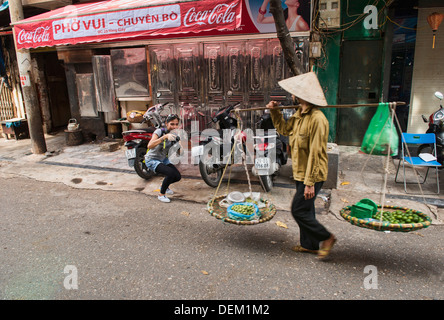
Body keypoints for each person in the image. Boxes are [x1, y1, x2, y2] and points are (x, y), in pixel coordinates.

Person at [266, 72, 336, 260]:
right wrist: (275, 111)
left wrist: (310, 183)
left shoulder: (318, 119)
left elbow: (316, 152)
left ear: (302, 95)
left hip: (312, 174)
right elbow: (284, 130)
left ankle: (326, 238)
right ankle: (310, 245)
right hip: (300, 171)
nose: (292, 96)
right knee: (306, 209)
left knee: (298, 209)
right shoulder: (299, 114)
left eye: (295, 93)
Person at [145, 114, 182, 203]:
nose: (174, 126)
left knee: (177, 176)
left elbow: (178, 153)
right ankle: (161, 194)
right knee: (170, 173)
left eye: (176, 124)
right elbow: (149, 145)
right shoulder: (159, 132)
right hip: (152, 160)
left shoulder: (175, 135)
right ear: (166, 123)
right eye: (172, 124)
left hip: (163, 159)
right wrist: (164, 137)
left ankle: (164, 185)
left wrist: (179, 145)